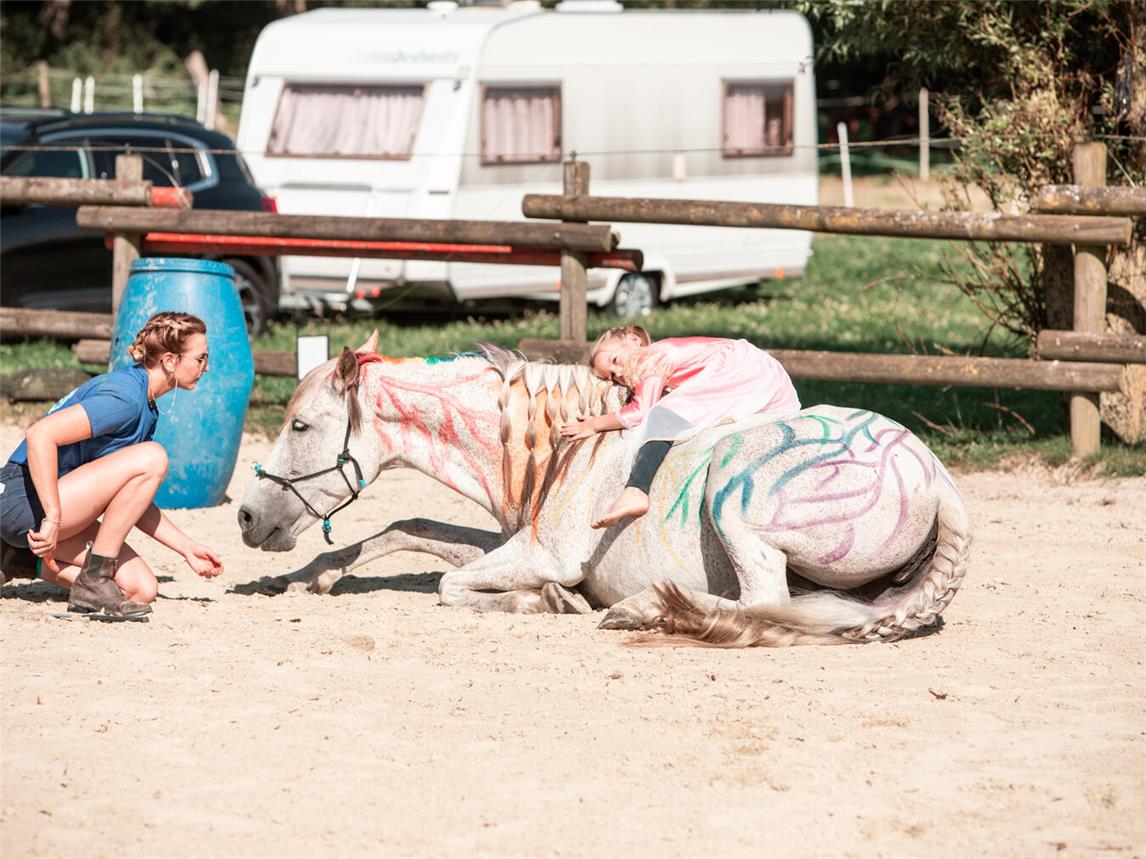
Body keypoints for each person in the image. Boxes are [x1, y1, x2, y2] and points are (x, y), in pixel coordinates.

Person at [0, 311, 223, 619]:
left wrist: (186, 547)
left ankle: (15, 559)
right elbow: (40, 435)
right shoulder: (125, 398)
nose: (206, 367)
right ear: (170, 361)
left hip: (53, 508)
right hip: (22, 501)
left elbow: (131, 500)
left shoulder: (146, 408)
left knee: (141, 588)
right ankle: (94, 579)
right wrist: (52, 518)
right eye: (200, 359)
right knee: (152, 456)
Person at [560, 325, 801, 529]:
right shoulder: (659, 356)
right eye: (612, 376)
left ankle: (636, 489)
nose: (619, 372)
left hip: (741, 370)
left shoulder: (648, 358)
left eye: (615, 361)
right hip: (757, 367)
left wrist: (594, 424)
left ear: (633, 340)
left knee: (661, 416)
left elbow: (640, 411)